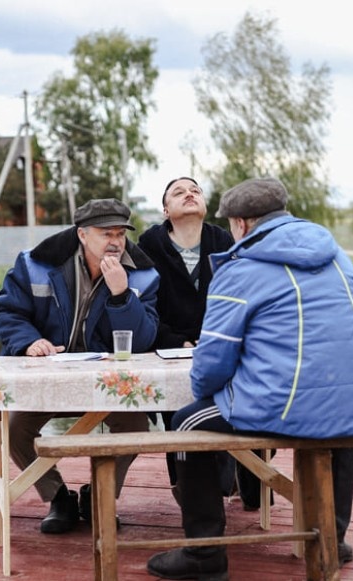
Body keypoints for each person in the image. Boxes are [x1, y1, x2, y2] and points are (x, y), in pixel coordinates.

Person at [146, 177, 353, 580]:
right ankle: (333, 537)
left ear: (239, 224)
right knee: (341, 412)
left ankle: (204, 554)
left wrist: (216, 392)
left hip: (288, 403)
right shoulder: (338, 256)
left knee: (186, 420)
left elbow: (210, 364)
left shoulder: (241, 268)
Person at [0, 198, 159, 535]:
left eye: (121, 234)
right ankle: (58, 498)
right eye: (105, 233)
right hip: (48, 379)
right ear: (82, 234)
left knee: (137, 426)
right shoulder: (34, 264)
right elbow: (4, 312)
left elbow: (143, 341)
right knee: (15, 432)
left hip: (108, 382)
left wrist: (122, 295)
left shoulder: (144, 275)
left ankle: (98, 496)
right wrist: (28, 341)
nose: (115, 241)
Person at [137, 177, 239, 499]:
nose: (189, 194)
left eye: (195, 190)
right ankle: (185, 486)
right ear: (166, 210)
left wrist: (215, 340)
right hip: (168, 348)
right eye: (178, 192)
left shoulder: (223, 242)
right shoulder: (148, 247)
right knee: (175, 413)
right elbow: (145, 306)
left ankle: (236, 472)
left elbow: (237, 300)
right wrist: (174, 341)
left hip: (218, 345)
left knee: (221, 406)